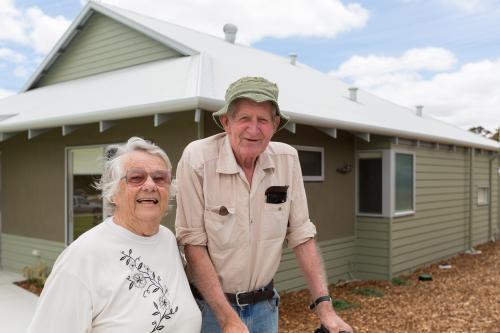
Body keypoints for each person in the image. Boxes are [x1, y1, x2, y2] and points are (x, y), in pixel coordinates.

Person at [175, 77, 353, 333]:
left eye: (263, 120)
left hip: (264, 308)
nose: (254, 129)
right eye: (244, 118)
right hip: (210, 309)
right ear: (226, 122)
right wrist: (227, 318)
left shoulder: (287, 160)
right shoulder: (198, 159)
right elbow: (193, 244)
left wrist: (325, 309)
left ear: (275, 125)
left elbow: (302, 235)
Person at [27, 137, 201, 333]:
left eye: (160, 178)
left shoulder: (167, 240)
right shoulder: (82, 257)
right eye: (136, 177)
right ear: (113, 192)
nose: (151, 185)